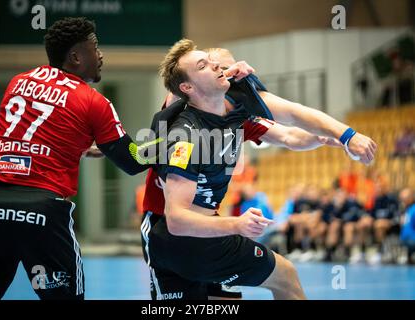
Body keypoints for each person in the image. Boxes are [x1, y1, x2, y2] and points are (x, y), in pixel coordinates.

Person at [145, 38, 369, 300]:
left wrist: (328, 136)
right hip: (166, 224)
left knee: (238, 295)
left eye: (226, 68)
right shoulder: (182, 122)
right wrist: (237, 224)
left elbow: (290, 133)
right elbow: (180, 93)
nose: (228, 72)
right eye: (213, 66)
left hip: (208, 226)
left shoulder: (237, 115)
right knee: (283, 277)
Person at [0, 17, 150, 300]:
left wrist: (77, 148)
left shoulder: (18, 83)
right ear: (75, 57)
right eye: (95, 47)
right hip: (44, 212)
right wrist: (166, 146)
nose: (100, 55)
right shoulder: (93, 101)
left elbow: (28, 140)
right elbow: (133, 161)